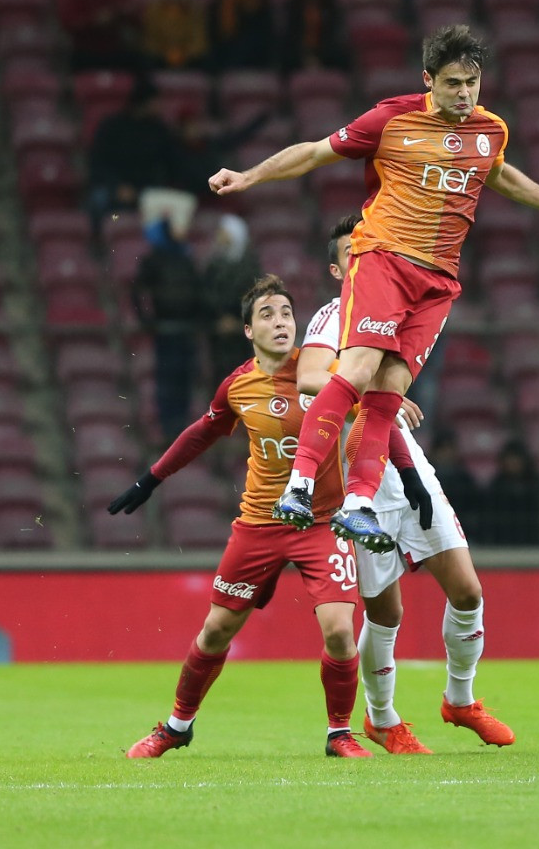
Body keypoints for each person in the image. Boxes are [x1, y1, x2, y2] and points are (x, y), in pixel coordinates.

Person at [207, 24, 539, 551]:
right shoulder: (391, 119)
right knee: (357, 370)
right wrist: (250, 176)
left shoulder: (491, 130)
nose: (465, 94)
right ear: (428, 80)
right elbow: (313, 153)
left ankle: (359, 504)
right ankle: (300, 484)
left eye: (473, 82)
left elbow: (498, 173)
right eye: (453, 83)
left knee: (388, 393)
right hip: (383, 261)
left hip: (438, 282)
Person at [110, 275, 372, 760]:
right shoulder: (238, 384)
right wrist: (151, 479)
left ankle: (340, 734)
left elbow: (372, 408)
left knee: (339, 630)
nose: (281, 323)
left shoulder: (322, 373)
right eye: (268, 315)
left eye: (287, 314)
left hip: (321, 522)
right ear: (249, 331)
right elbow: (200, 433)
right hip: (260, 523)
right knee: (215, 631)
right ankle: (176, 726)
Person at [300, 218, 516, 751]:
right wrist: (374, 386)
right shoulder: (334, 316)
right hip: (356, 484)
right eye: (355, 252)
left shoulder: (395, 311)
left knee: (467, 589)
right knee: (386, 611)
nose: (367, 259)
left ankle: (460, 701)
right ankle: (382, 717)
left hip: (404, 464)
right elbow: (308, 376)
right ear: (337, 269)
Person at [132, 220, 203, 437]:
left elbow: (198, 291)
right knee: (167, 379)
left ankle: (182, 424)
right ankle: (168, 426)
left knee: (185, 377)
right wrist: (147, 320)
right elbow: (137, 291)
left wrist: (197, 318)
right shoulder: (154, 260)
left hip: (186, 329)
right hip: (165, 330)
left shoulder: (186, 259)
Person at [86, 75, 183, 232]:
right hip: (113, 189)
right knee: (99, 201)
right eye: (156, 101)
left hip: (147, 191)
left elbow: (171, 166)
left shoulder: (160, 131)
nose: (160, 106)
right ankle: (100, 242)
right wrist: (117, 187)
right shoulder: (112, 127)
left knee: (177, 204)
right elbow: (97, 164)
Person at [202, 216, 264, 378]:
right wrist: (218, 320)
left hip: (242, 336)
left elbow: (254, 297)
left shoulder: (250, 266)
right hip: (218, 336)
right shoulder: (213, 265)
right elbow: (207, 295)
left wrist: (237, 322)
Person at [482, 440, 539, 546]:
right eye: (510, 458)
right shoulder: (496, 487)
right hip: (504, 547)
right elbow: (488, 523)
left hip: (536, 546)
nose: (513, 463)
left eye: (516, 458)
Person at [207, 0, 277, 71]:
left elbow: (266, 39)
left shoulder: (263, 5)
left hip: (258, 64)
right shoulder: (227, 2)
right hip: (226, 60)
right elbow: (221, 36)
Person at [280, 0, 347, 73]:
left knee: (343, 55)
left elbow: (334, 37)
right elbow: (290, 37)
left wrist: (319, 59)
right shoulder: (292, 7)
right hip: (297, 57)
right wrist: (305, 59)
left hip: (326, 56)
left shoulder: (332, 8)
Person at [142, 0, 208, 71]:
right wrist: (166, 53)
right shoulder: (155, 10)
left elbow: (199, 41)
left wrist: (183, 54)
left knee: (206, 59)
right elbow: (150, 40)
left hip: (188, 57)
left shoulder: (195, 11)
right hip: (160, 56)